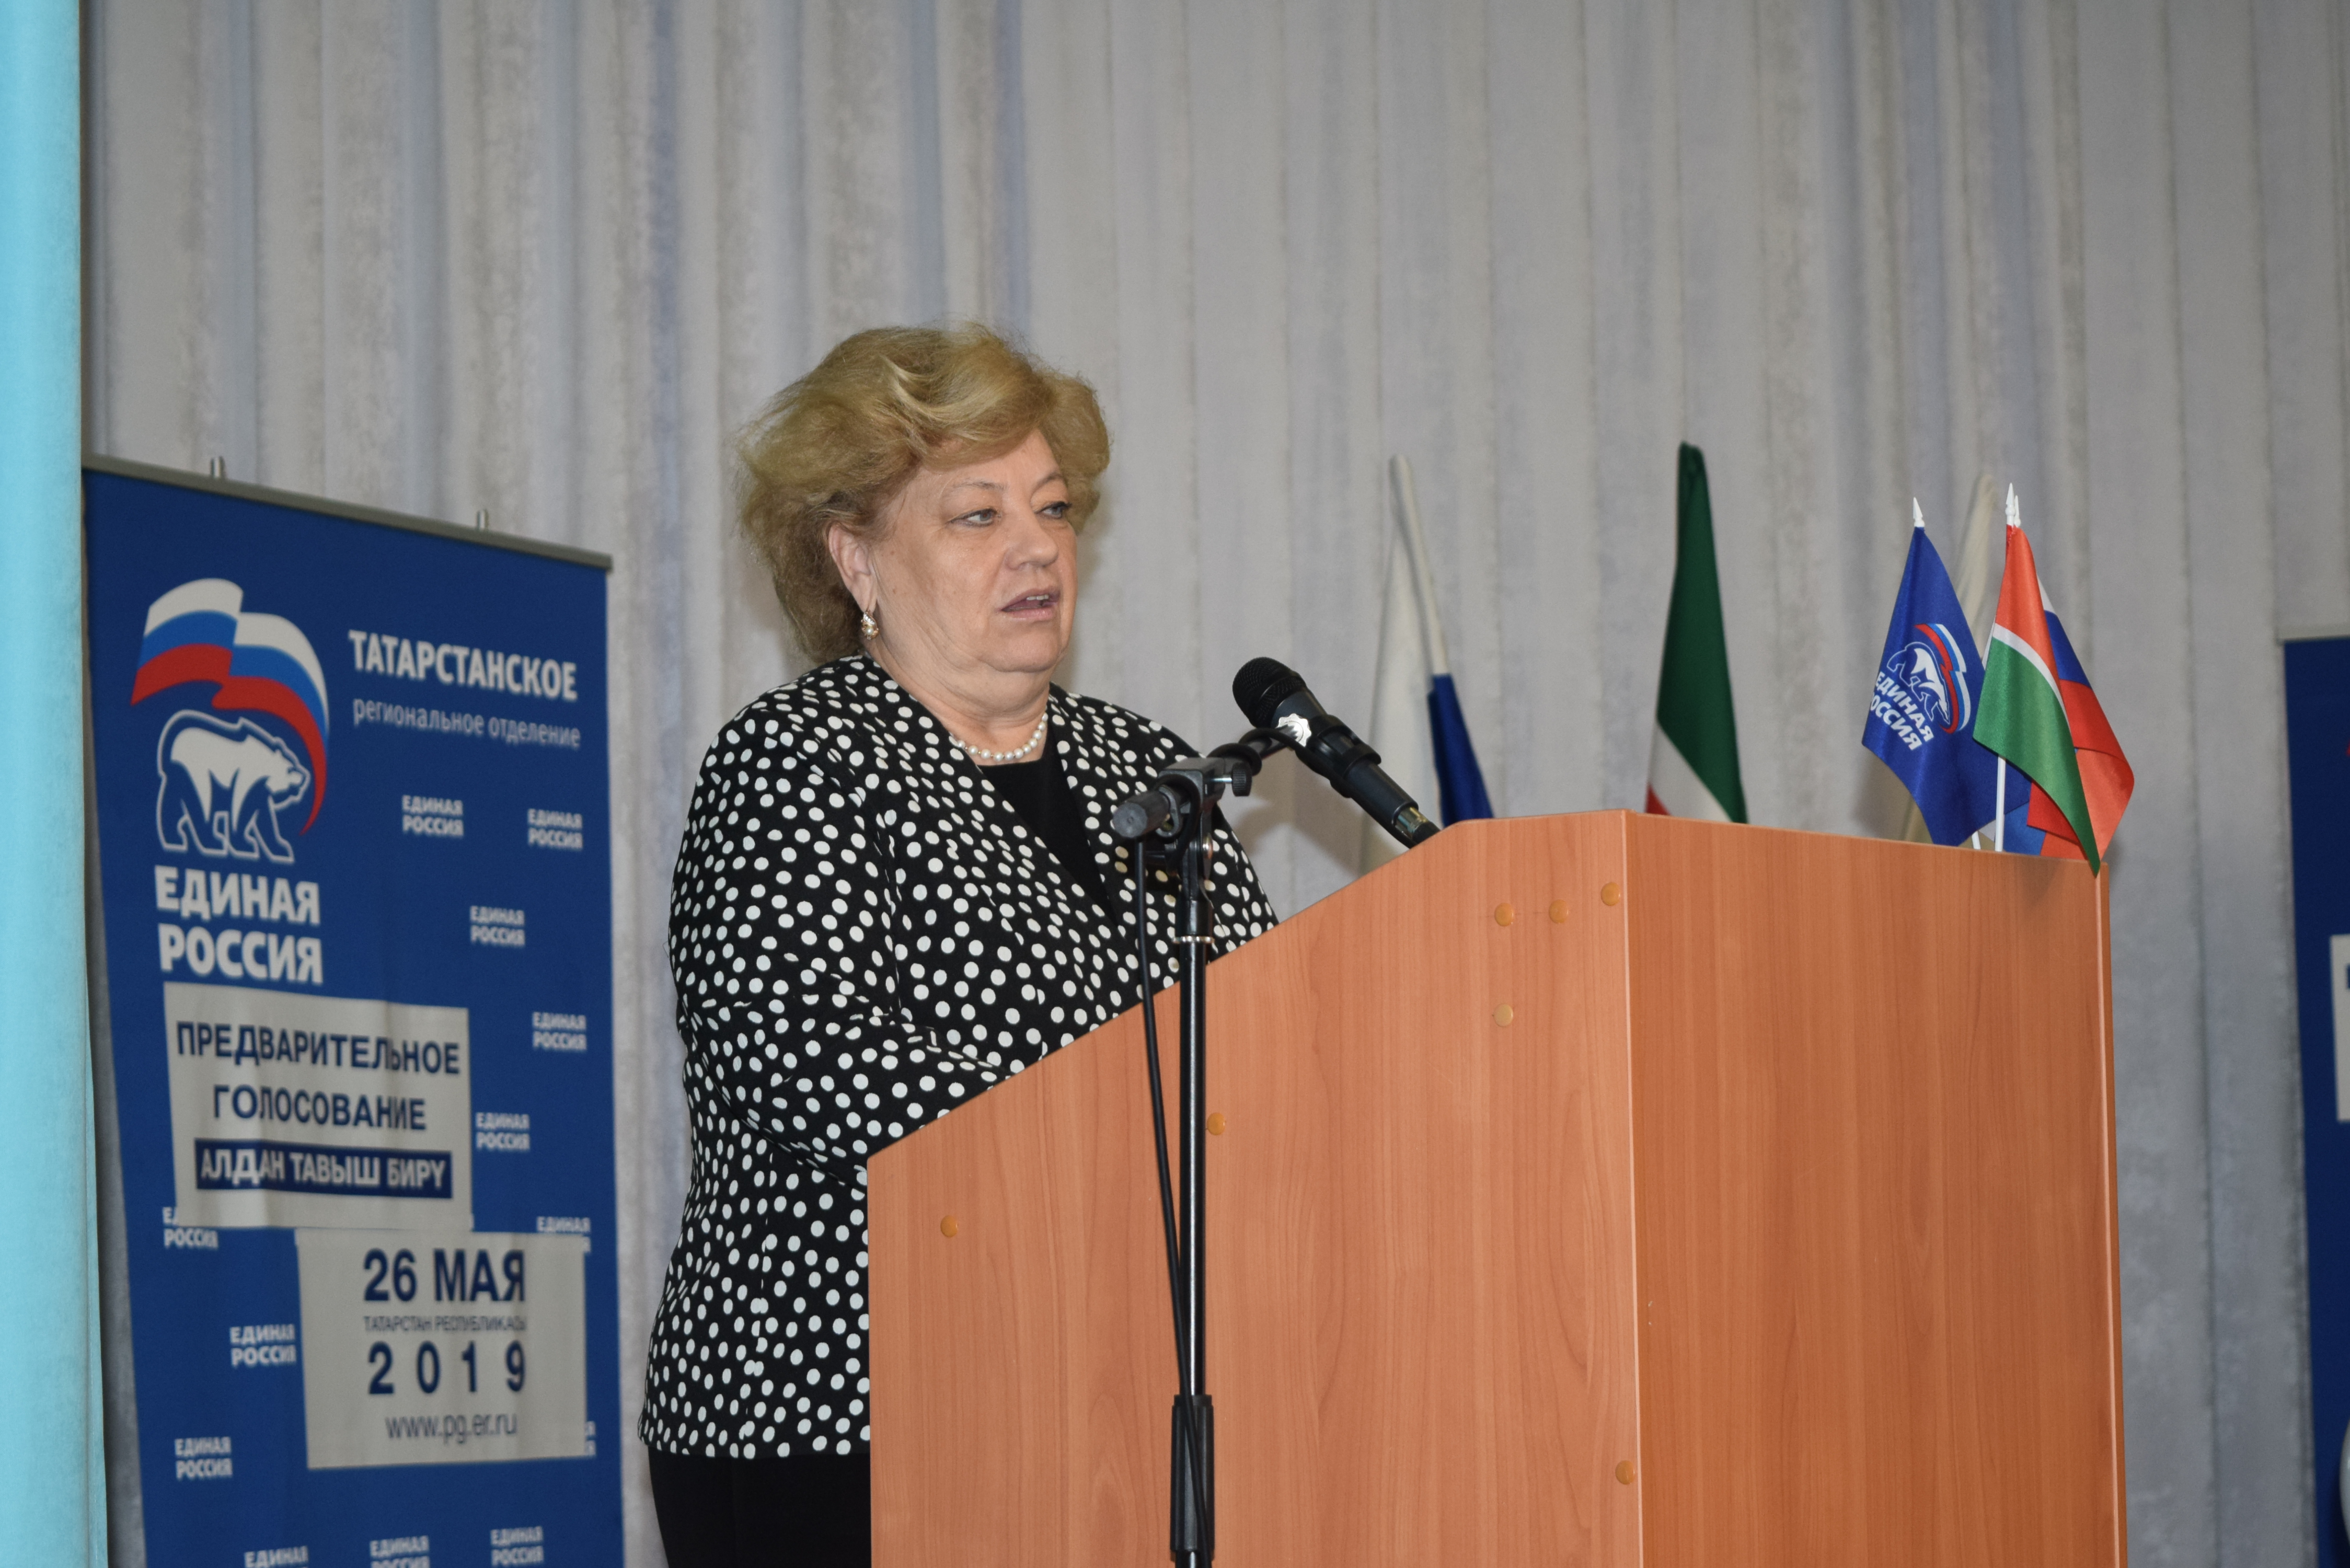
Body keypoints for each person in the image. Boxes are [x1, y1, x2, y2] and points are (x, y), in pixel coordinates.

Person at [640, 324, 1277, 1566]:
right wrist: (1134, 1121)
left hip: (1120, 1403)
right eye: (977, 515)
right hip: (837, 1419)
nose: (1037, 545)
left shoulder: (1145, 768)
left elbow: (1255, 1030)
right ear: (855, 560)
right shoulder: (797, 761)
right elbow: (818, 1068)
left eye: (1052, 508)